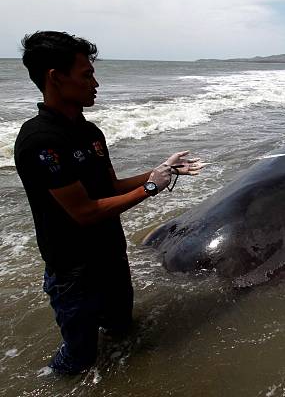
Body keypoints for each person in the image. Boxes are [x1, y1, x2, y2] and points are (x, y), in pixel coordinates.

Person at [14, 31, 205, 375]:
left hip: (110, 255)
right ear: (55, 78)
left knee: (121, 329)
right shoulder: (40, 140)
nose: (95, 83)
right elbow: (84, 212)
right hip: (74, 269)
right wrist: (150, 188)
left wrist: (162, 169)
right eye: (86, 75)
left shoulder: (90, 132)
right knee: (80, 358)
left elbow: (111, 186)